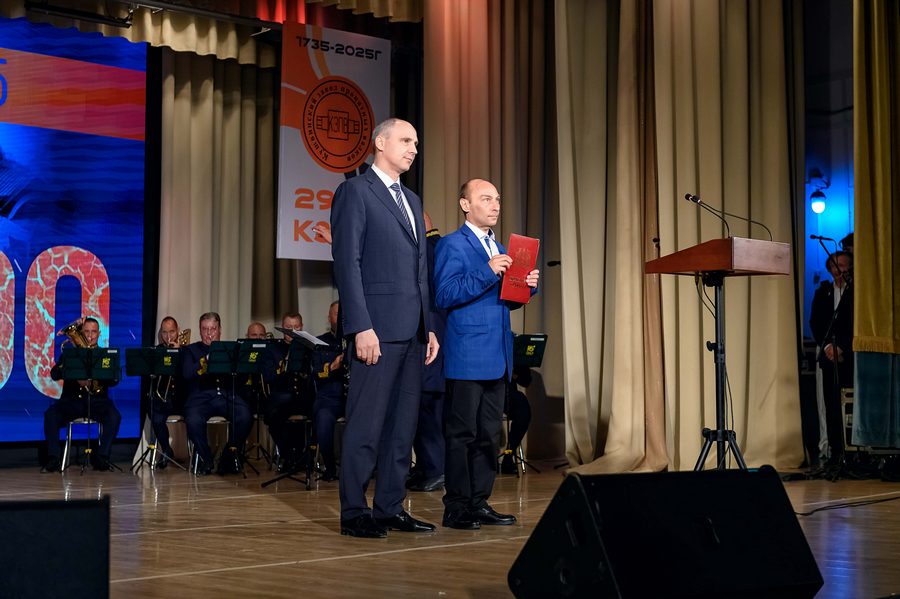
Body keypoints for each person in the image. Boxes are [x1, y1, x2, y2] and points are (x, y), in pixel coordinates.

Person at [331, 117, 440, 538]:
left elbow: (420, 271)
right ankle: (354, 511)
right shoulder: (355, 192)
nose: (414, 149)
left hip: (413, 332)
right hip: (376, 330)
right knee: (366, 423)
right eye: (406, 140)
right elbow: (348, 264)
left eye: (417, 142)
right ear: (380, 142)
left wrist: (429, 327)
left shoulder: (412, 199)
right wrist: (360, 326)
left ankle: (390, 507)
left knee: (401, 428)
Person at [434, 178, 539, 529]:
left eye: (497, 199)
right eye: (486, 198)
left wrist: (526, 288)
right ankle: (456, 507)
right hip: (467, 354)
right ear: (466, 205)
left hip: (498, 355)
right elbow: (445, 294)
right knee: (461, 434)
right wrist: (488, 270)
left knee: (489, 436)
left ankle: (479, 503)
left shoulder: (500, 246)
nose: (495, 205)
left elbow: (503, 301)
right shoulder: (452, 244)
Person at [42, 317, 122, 472]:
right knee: (50, 415)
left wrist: (98, 377)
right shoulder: (70, 354)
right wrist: (72, 374)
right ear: (82, 333)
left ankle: (102, 457)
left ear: (99, 334)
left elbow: (114, 380)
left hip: (98, 401)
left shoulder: (105, 355)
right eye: (86, 332)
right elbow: (54, 374)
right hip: (72, 401)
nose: (90, 336)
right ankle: (53, 459)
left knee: (114, 416)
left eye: (93, 332)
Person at [182, 312, 253, 475]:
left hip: (226, 396)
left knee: (245, 415)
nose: (209, 333)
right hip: (200, 399)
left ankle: (228, 456)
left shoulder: (230, 349)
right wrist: (206, 359)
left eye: (213, 329)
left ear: (220, 329)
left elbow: (242, 378)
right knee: (192, 420)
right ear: (200, 330)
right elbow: (186, 374)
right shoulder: (190, 350)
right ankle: (206, 458)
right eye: (205, 329)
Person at [408, 212, 447, 493]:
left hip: (431, 340)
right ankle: (425, 467)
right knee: (422, 409)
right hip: (435, 340)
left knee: (427, 409)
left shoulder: (430, 249)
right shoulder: (437, 247)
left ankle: (435, 469)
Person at [809, 251, 854, 466]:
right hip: (828, 356)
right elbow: (815, 322)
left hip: (848, 355)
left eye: (843, 265)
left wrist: (842, 347)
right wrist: (827, 346)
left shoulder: (854, 292)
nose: (839, 269)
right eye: (835, 266)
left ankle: (853, 452)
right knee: (831, 405)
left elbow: (855, 324)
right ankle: (835, 452)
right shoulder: (823, 292)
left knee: (850, 405)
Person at [266, 312, 313, 470]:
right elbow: (268, 376)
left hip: (303, 398)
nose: (292, 331)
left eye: (296, 327)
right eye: (288, 327)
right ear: (282, 328)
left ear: (302, 327)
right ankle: (288, 455)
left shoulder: (308, 348)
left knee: (320, 413)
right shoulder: (273, 349)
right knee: (275, 417)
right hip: (280, 398)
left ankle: (305, 455)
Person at [312, 301, 345, 481]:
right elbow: (316, 372)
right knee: (323, 418)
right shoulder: (319, 342)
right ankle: (330, 468)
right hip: (329, 399)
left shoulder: (358, 339)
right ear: (329, 317)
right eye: (337, 314)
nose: (340, 318)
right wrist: (333, 366)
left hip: (353, 398)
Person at [150, 316, 188, 469]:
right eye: (164, 332)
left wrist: (179, 354)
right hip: (164, 399)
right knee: (155, 415)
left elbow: (188, 376)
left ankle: (197, 456)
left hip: (182, 399)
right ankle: (166, 449)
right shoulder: (157, 352)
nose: (168, 336)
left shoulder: (186, 351)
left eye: (171, 332)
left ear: (178, 331)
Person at [499, 366, 533, 475]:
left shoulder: (517, 358)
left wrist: (516, 374)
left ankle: (509, 454)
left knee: (523, 410)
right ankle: (485, 460)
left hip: (508, 394)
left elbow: (526, 382)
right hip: (488, 390)